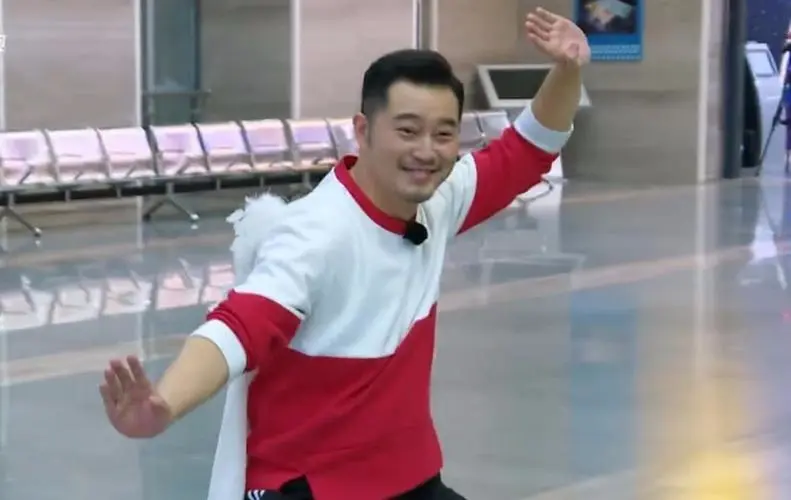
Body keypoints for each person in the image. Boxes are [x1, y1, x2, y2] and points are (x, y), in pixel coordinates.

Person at [99, 8, 590, 500]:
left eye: (443, 134)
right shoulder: (317, 232)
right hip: (310, 487)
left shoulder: (437, 200)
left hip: (408, 478)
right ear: (362, 130)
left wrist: (568, 69)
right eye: (407, 130)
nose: (427, 150)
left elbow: (528, 149)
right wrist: (164, 404)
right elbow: (239, 327)